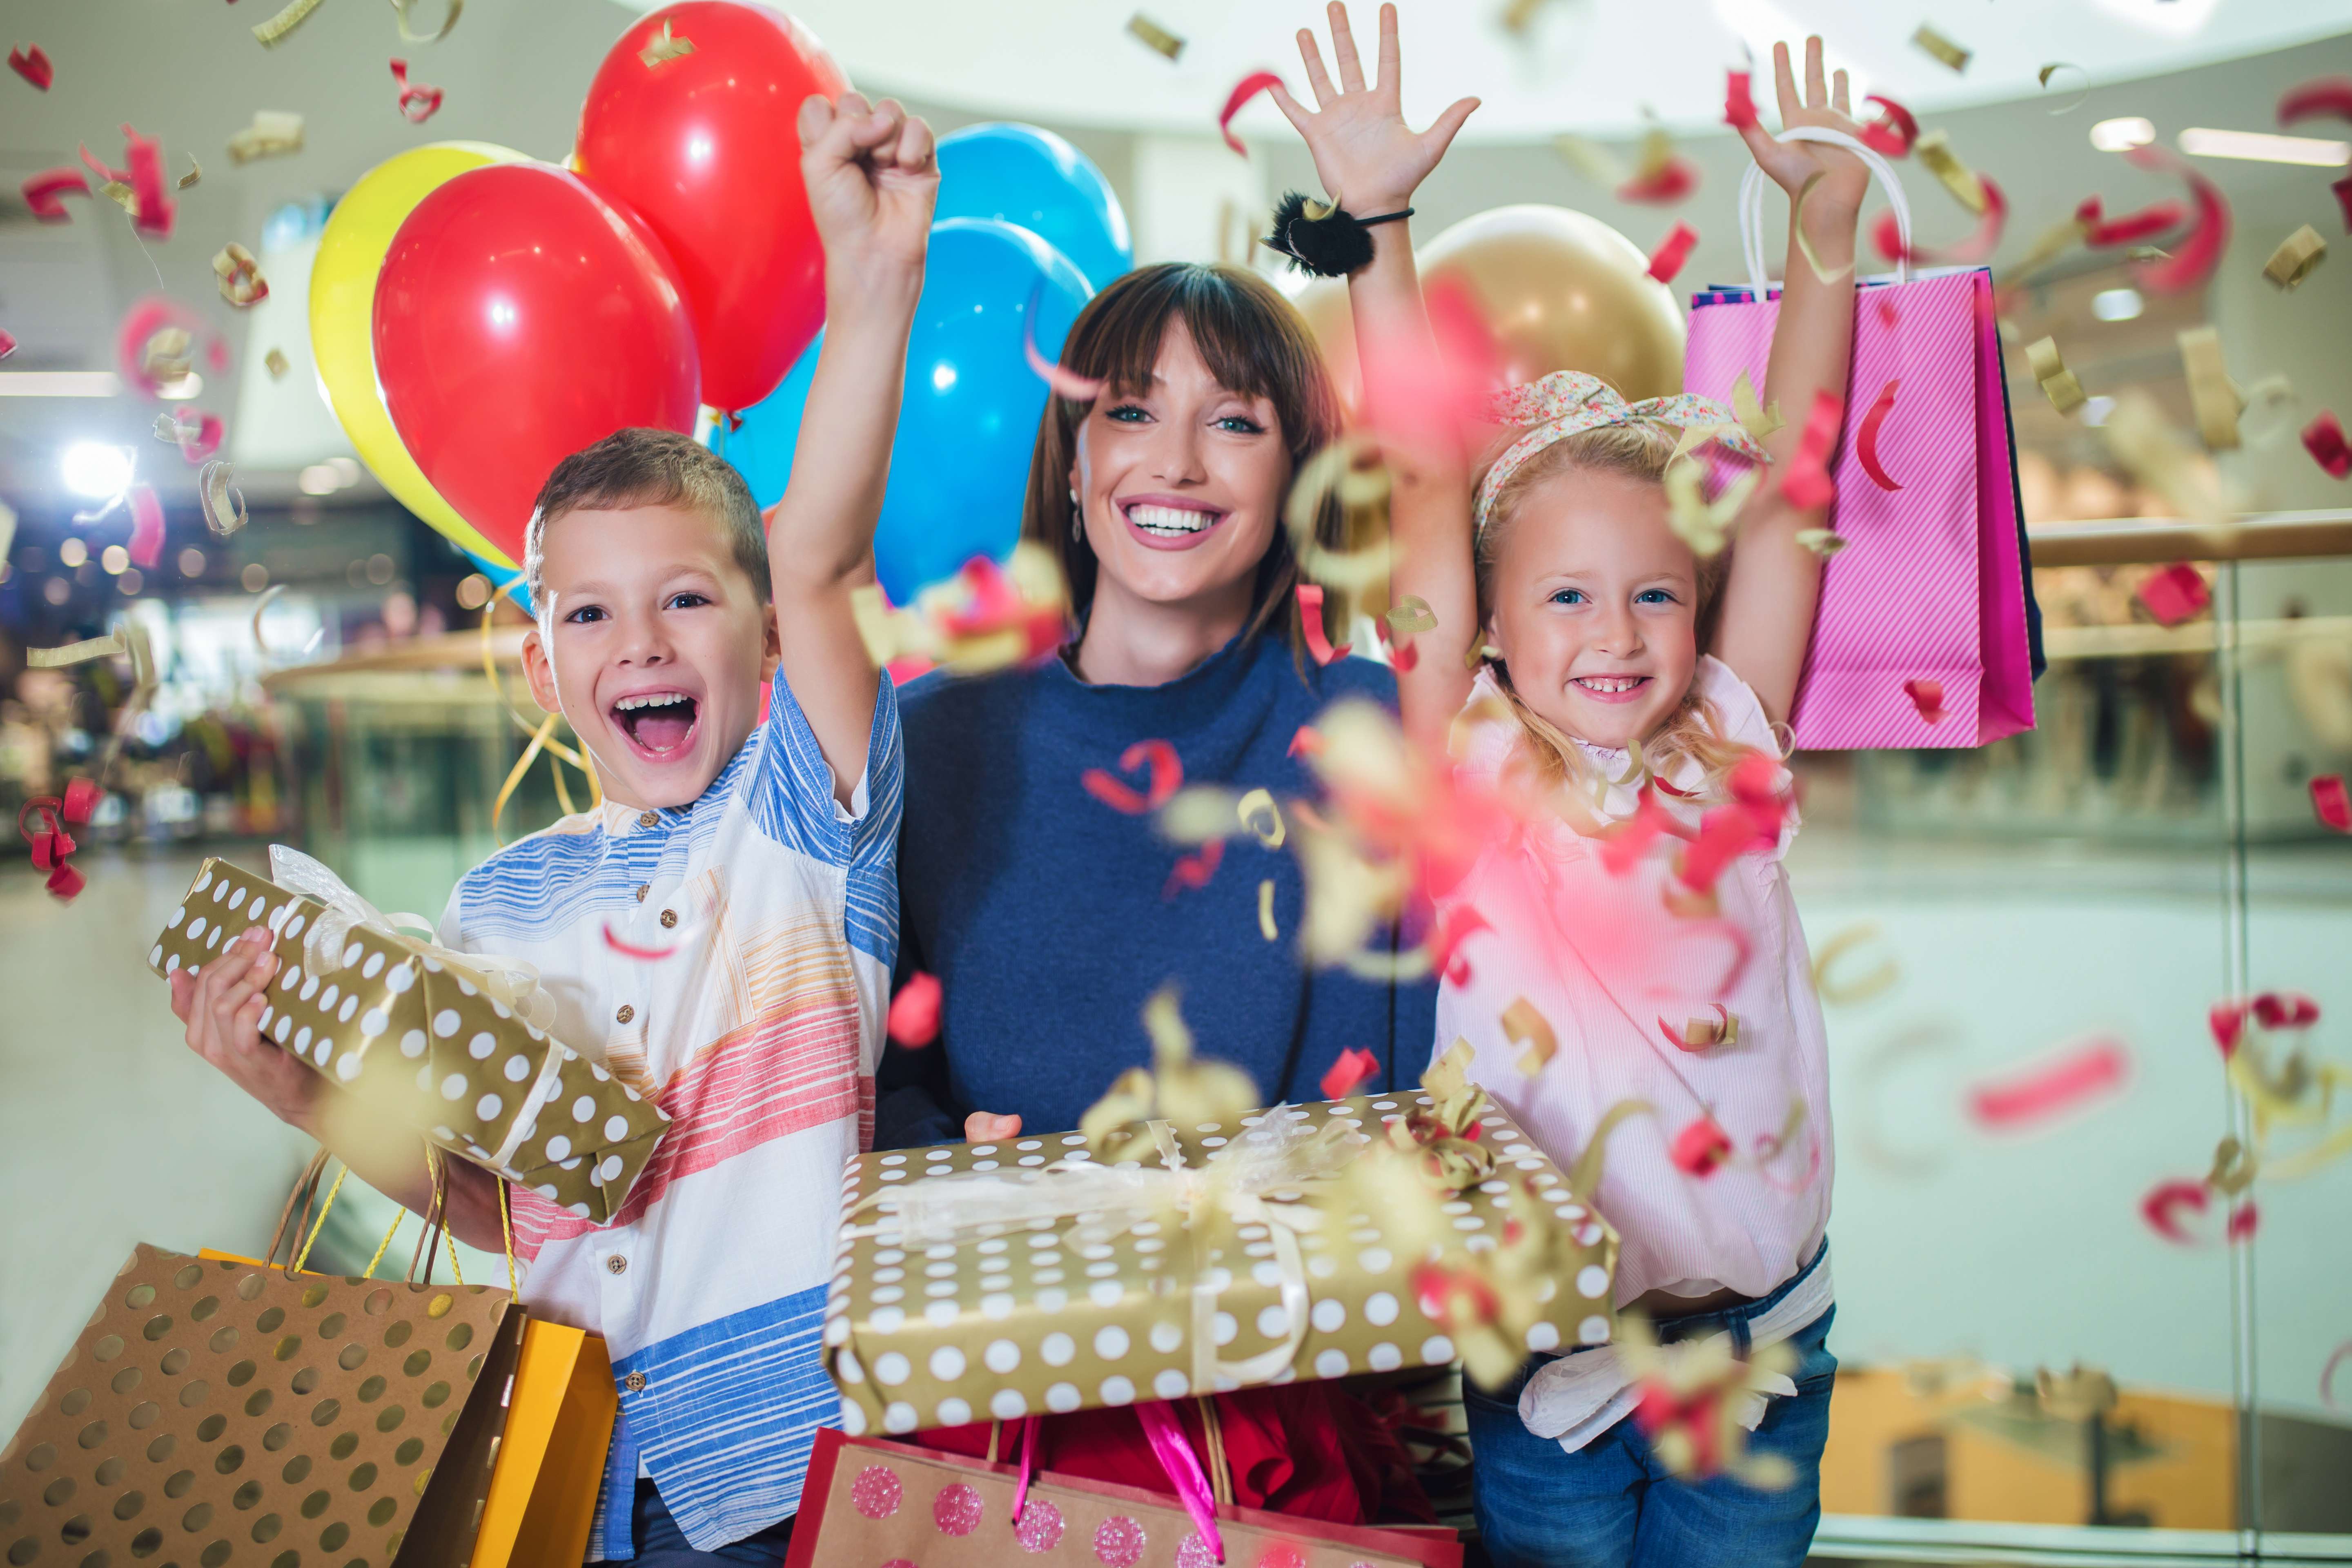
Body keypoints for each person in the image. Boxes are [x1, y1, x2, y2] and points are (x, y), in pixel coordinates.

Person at [167, 89, 936, 1566]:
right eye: (590, 614)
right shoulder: (496, 905)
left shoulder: (797, 818)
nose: (640, 641)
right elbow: (496, 1208)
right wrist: (296, 1090)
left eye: (688, 599)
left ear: (772, 640)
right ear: (543, 668)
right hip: (572, 1478)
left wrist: (877, 268)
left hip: (786, 1471)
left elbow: (823, 551)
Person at [1279, 7, 1864, 1564]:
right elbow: (1420, 488)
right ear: (1488, 620)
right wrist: (1379, 229)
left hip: (1762, 1352)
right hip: (1546, 1365)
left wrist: (1827, 231)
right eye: (1566, 598)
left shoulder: (1730, 736)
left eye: (1656, 594)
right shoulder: (1465, 761)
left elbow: (1796, 489)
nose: (1617, 633)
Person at [878, 260, 1440, 1152]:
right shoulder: (924, 743)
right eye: (1133, 412)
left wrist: (1378, 233)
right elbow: (867, 1086)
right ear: (1074, 462)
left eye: (1235, 422)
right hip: (1029, 1244)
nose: (1177, 463)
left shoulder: (1383, 732)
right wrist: (945, 1152)